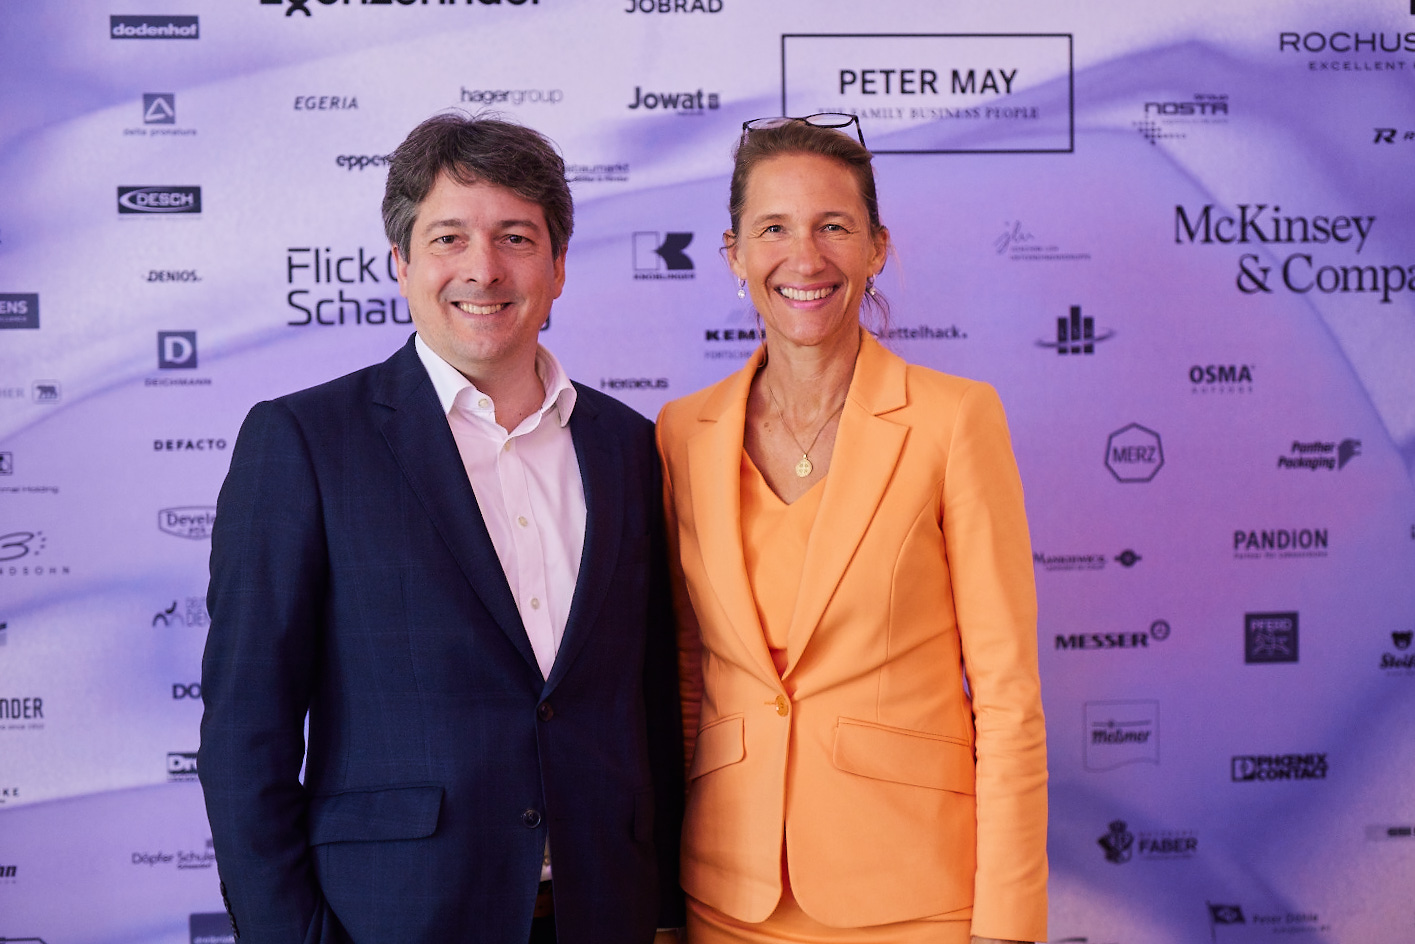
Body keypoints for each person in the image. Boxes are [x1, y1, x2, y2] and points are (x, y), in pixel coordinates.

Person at [199, 113, 683, 944]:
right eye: (448, 238)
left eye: (516, 238)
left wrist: (666, 914)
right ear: (401, 262)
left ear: (559, 265)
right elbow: (247, 731)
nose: (482, 269)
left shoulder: (632, 448)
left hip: (605, 914)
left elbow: (654, 706)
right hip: (393, 918)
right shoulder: (306, 441)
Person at [656, 115, 1047, 944]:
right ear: (732, 254)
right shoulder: (680, 432)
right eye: (773, 228)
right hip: (728, 898)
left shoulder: (953, 419)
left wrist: (1008, 924)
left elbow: (1007, 696)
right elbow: (686, 676)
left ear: (876, 248)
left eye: (833, 226)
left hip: (912, 894)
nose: (805, 258)